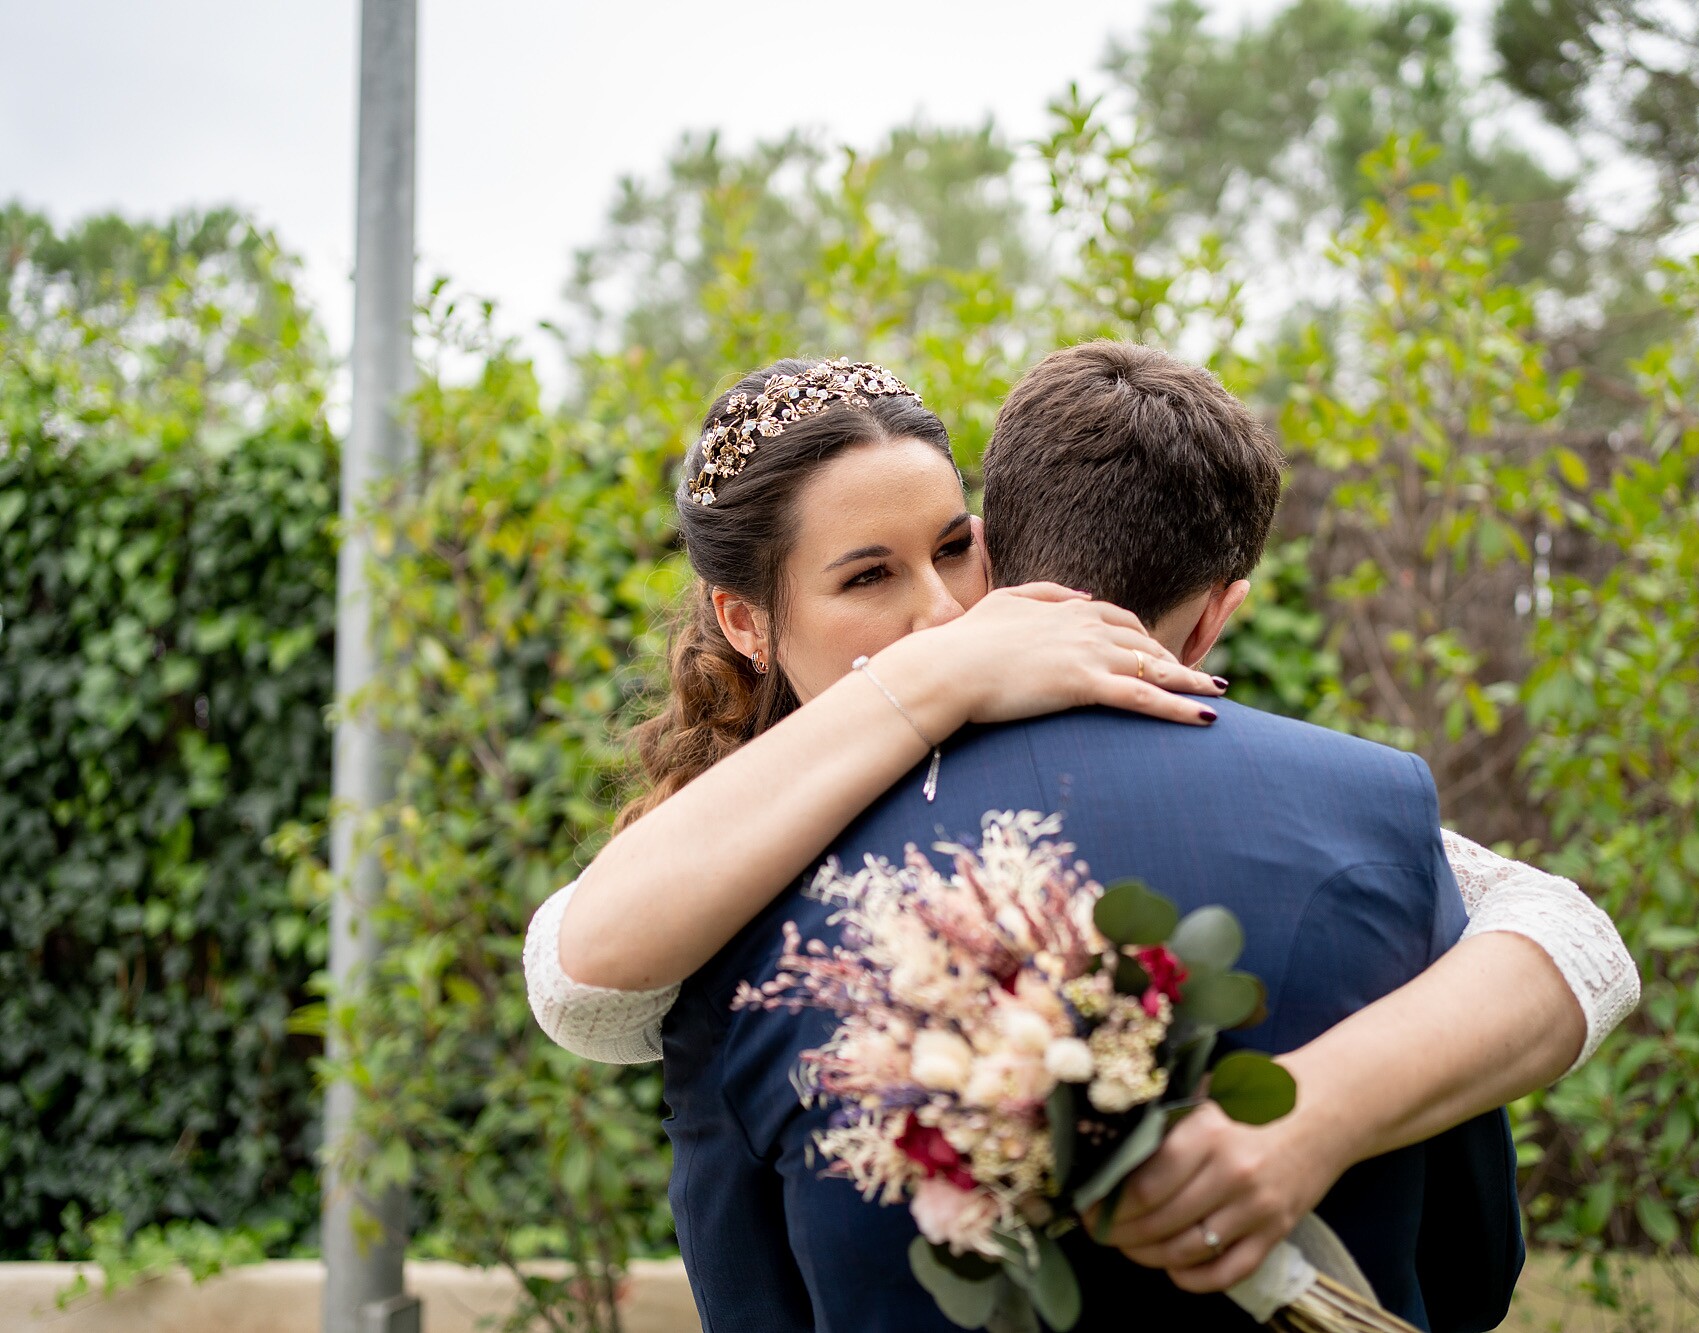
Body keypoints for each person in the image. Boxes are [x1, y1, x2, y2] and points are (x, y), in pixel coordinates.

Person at [524, 349, 1640, 1328]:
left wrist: (1307, 1115)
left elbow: (1564, 930)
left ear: (998, 540)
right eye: (868, 575)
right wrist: (936, 677)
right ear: (742, 619)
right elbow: (579, 974)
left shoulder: (1349, 807)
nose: (943, 610)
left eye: (956, 550)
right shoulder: (721, 876)